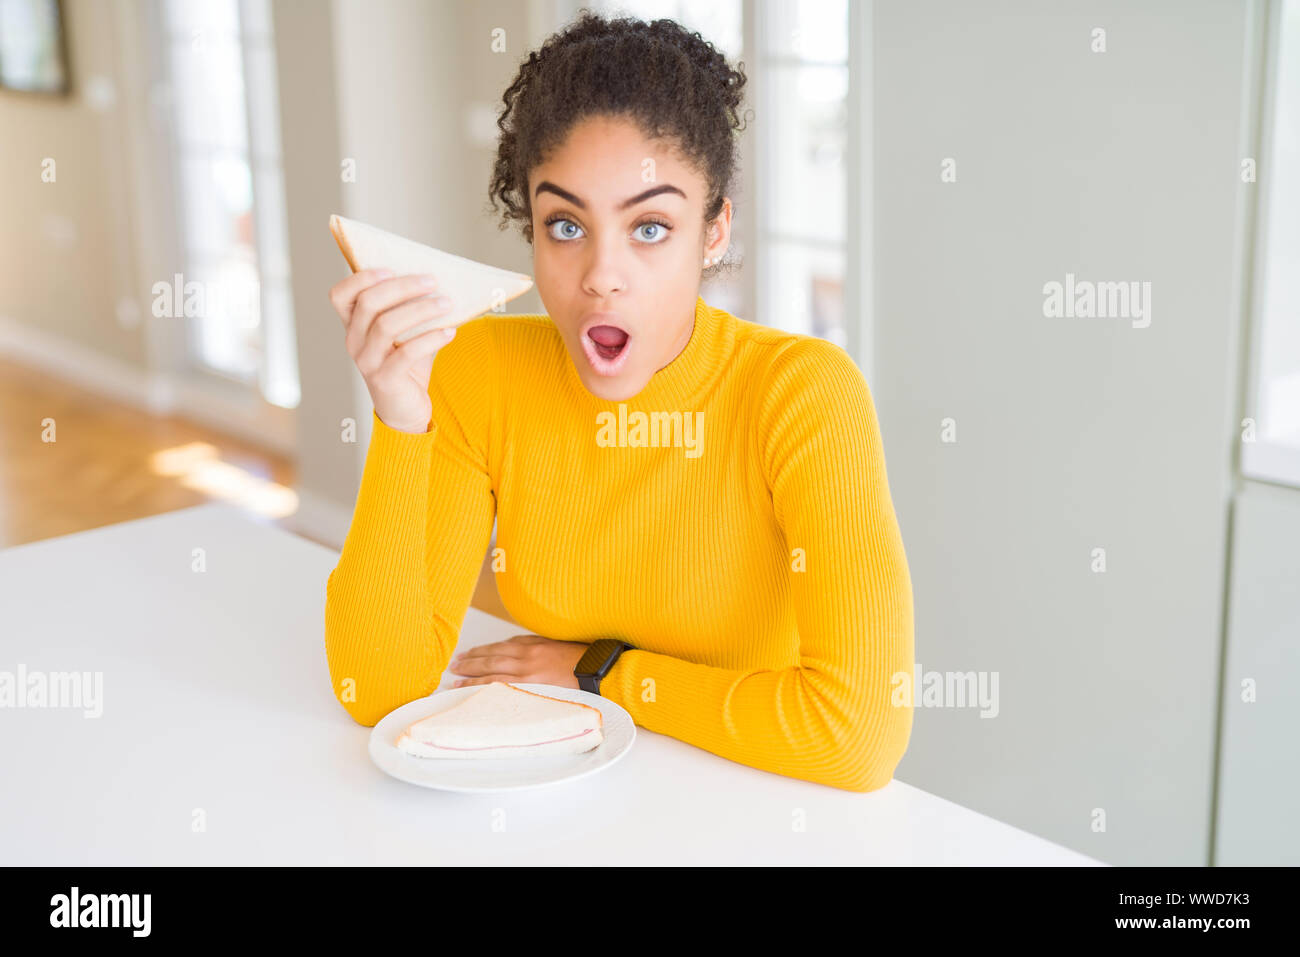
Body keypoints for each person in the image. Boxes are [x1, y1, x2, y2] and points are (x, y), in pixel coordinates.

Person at [325, 11, 914, 792]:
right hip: (561, 797)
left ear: (713, 232)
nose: (601, 274)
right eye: (565, 224)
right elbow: (378, 690)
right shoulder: (477, 371)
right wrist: (402, 420)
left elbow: (858, 734)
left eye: (650, 227)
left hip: (756, 798)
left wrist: (601, 672)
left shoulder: (803, 394)